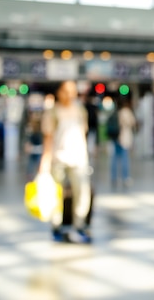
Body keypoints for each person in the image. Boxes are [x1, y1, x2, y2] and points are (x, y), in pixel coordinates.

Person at [39, 81, 92, 244]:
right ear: (59, 92)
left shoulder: (80, 110)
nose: (70, 94)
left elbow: (84, 133)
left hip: (79, 159)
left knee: (82, 193)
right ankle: (56, 227)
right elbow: (48, 139)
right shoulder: (52, 112)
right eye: (66, 91)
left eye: (73, 91)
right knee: (56, 195)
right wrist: (44, 163)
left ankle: (79, 226)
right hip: (58, 159)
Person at [111, 98, 137, 189]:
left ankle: (114, 177)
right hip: (124, 137)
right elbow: (133, 123)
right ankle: (125, 177)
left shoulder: (116, 112)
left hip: (115, 137)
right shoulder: (127, 112)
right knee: (125, 158)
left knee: (114, 158)